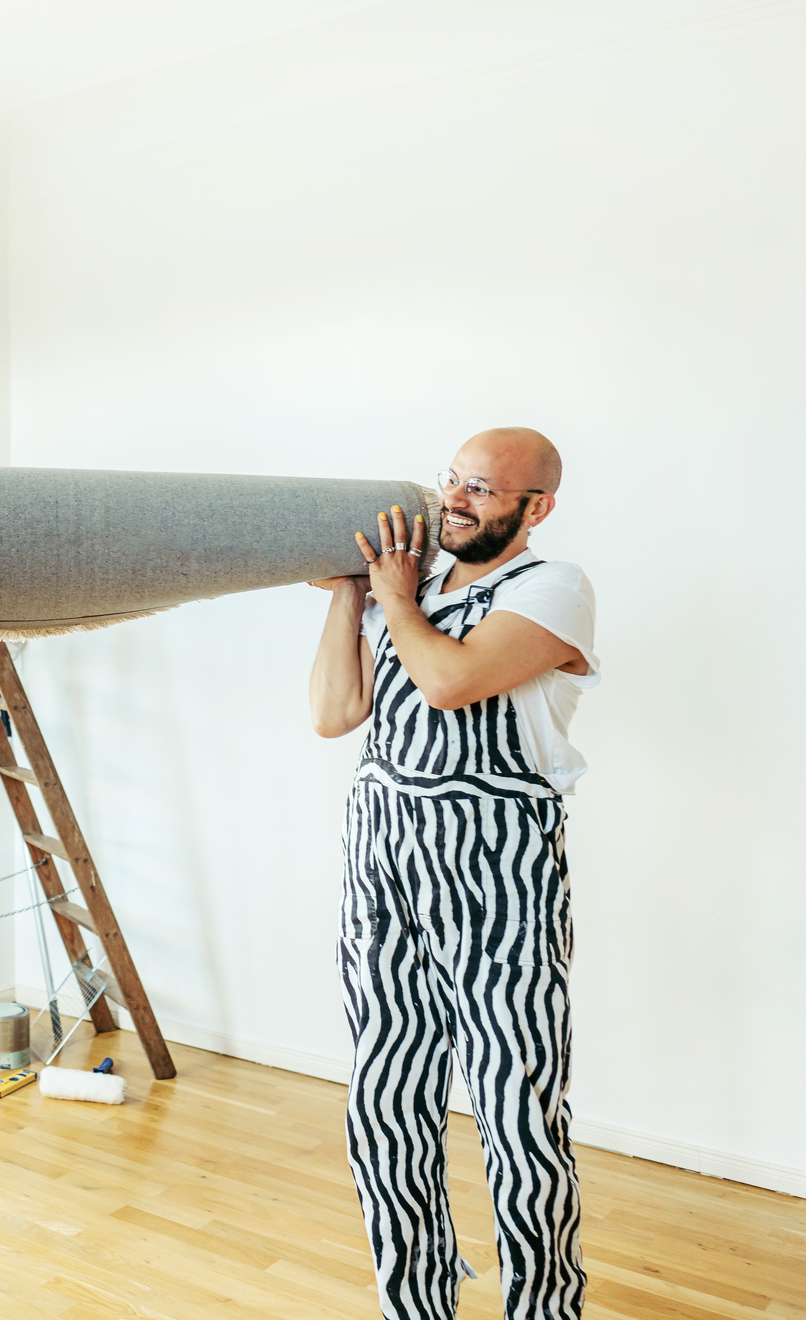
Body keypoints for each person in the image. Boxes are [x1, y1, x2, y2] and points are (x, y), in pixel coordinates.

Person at [307, 427, 598, 1320]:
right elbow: (334, 713)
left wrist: (393, 602)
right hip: (382, 861)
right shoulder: (411, 587)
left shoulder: (553, 588)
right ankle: (416, 1305)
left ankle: (542, 1309)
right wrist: (347, 599)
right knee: (385, 1101)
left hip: (498, 873)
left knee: (517, 1112)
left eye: (482, 488)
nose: (456, 500)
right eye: (453, 481)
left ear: (533, 508)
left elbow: (451, 681)